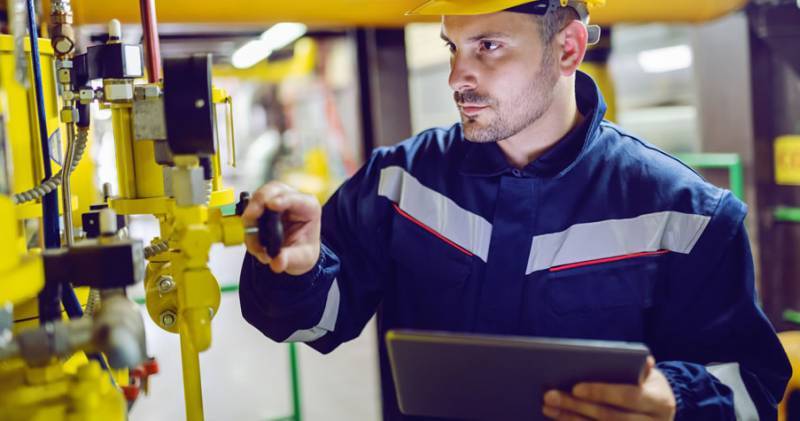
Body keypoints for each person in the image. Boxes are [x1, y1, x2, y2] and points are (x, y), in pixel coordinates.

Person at [238, 0, 791, 419]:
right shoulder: (398, 182)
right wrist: (300, 271)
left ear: (568, 48)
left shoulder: (685, 213)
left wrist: (676, 400)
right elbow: (312, 325)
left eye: (489, 46)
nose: (458, 76)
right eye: (453, 47)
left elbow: (752, 388)